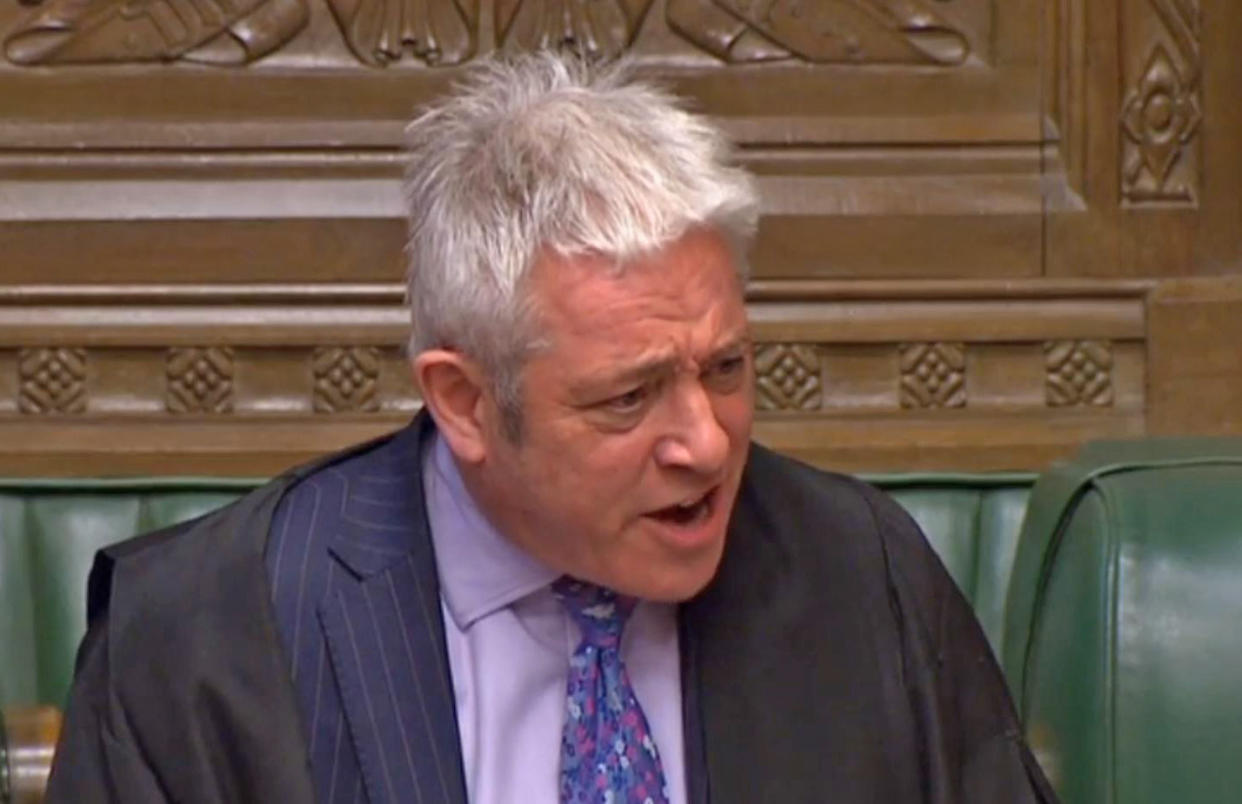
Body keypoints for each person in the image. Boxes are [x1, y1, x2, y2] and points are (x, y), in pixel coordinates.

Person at [45, 53, 1057, 804]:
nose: (704, 443)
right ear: (466, 403)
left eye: (728, 368)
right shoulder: (198, 641)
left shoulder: (862, 575)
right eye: (630, 396)